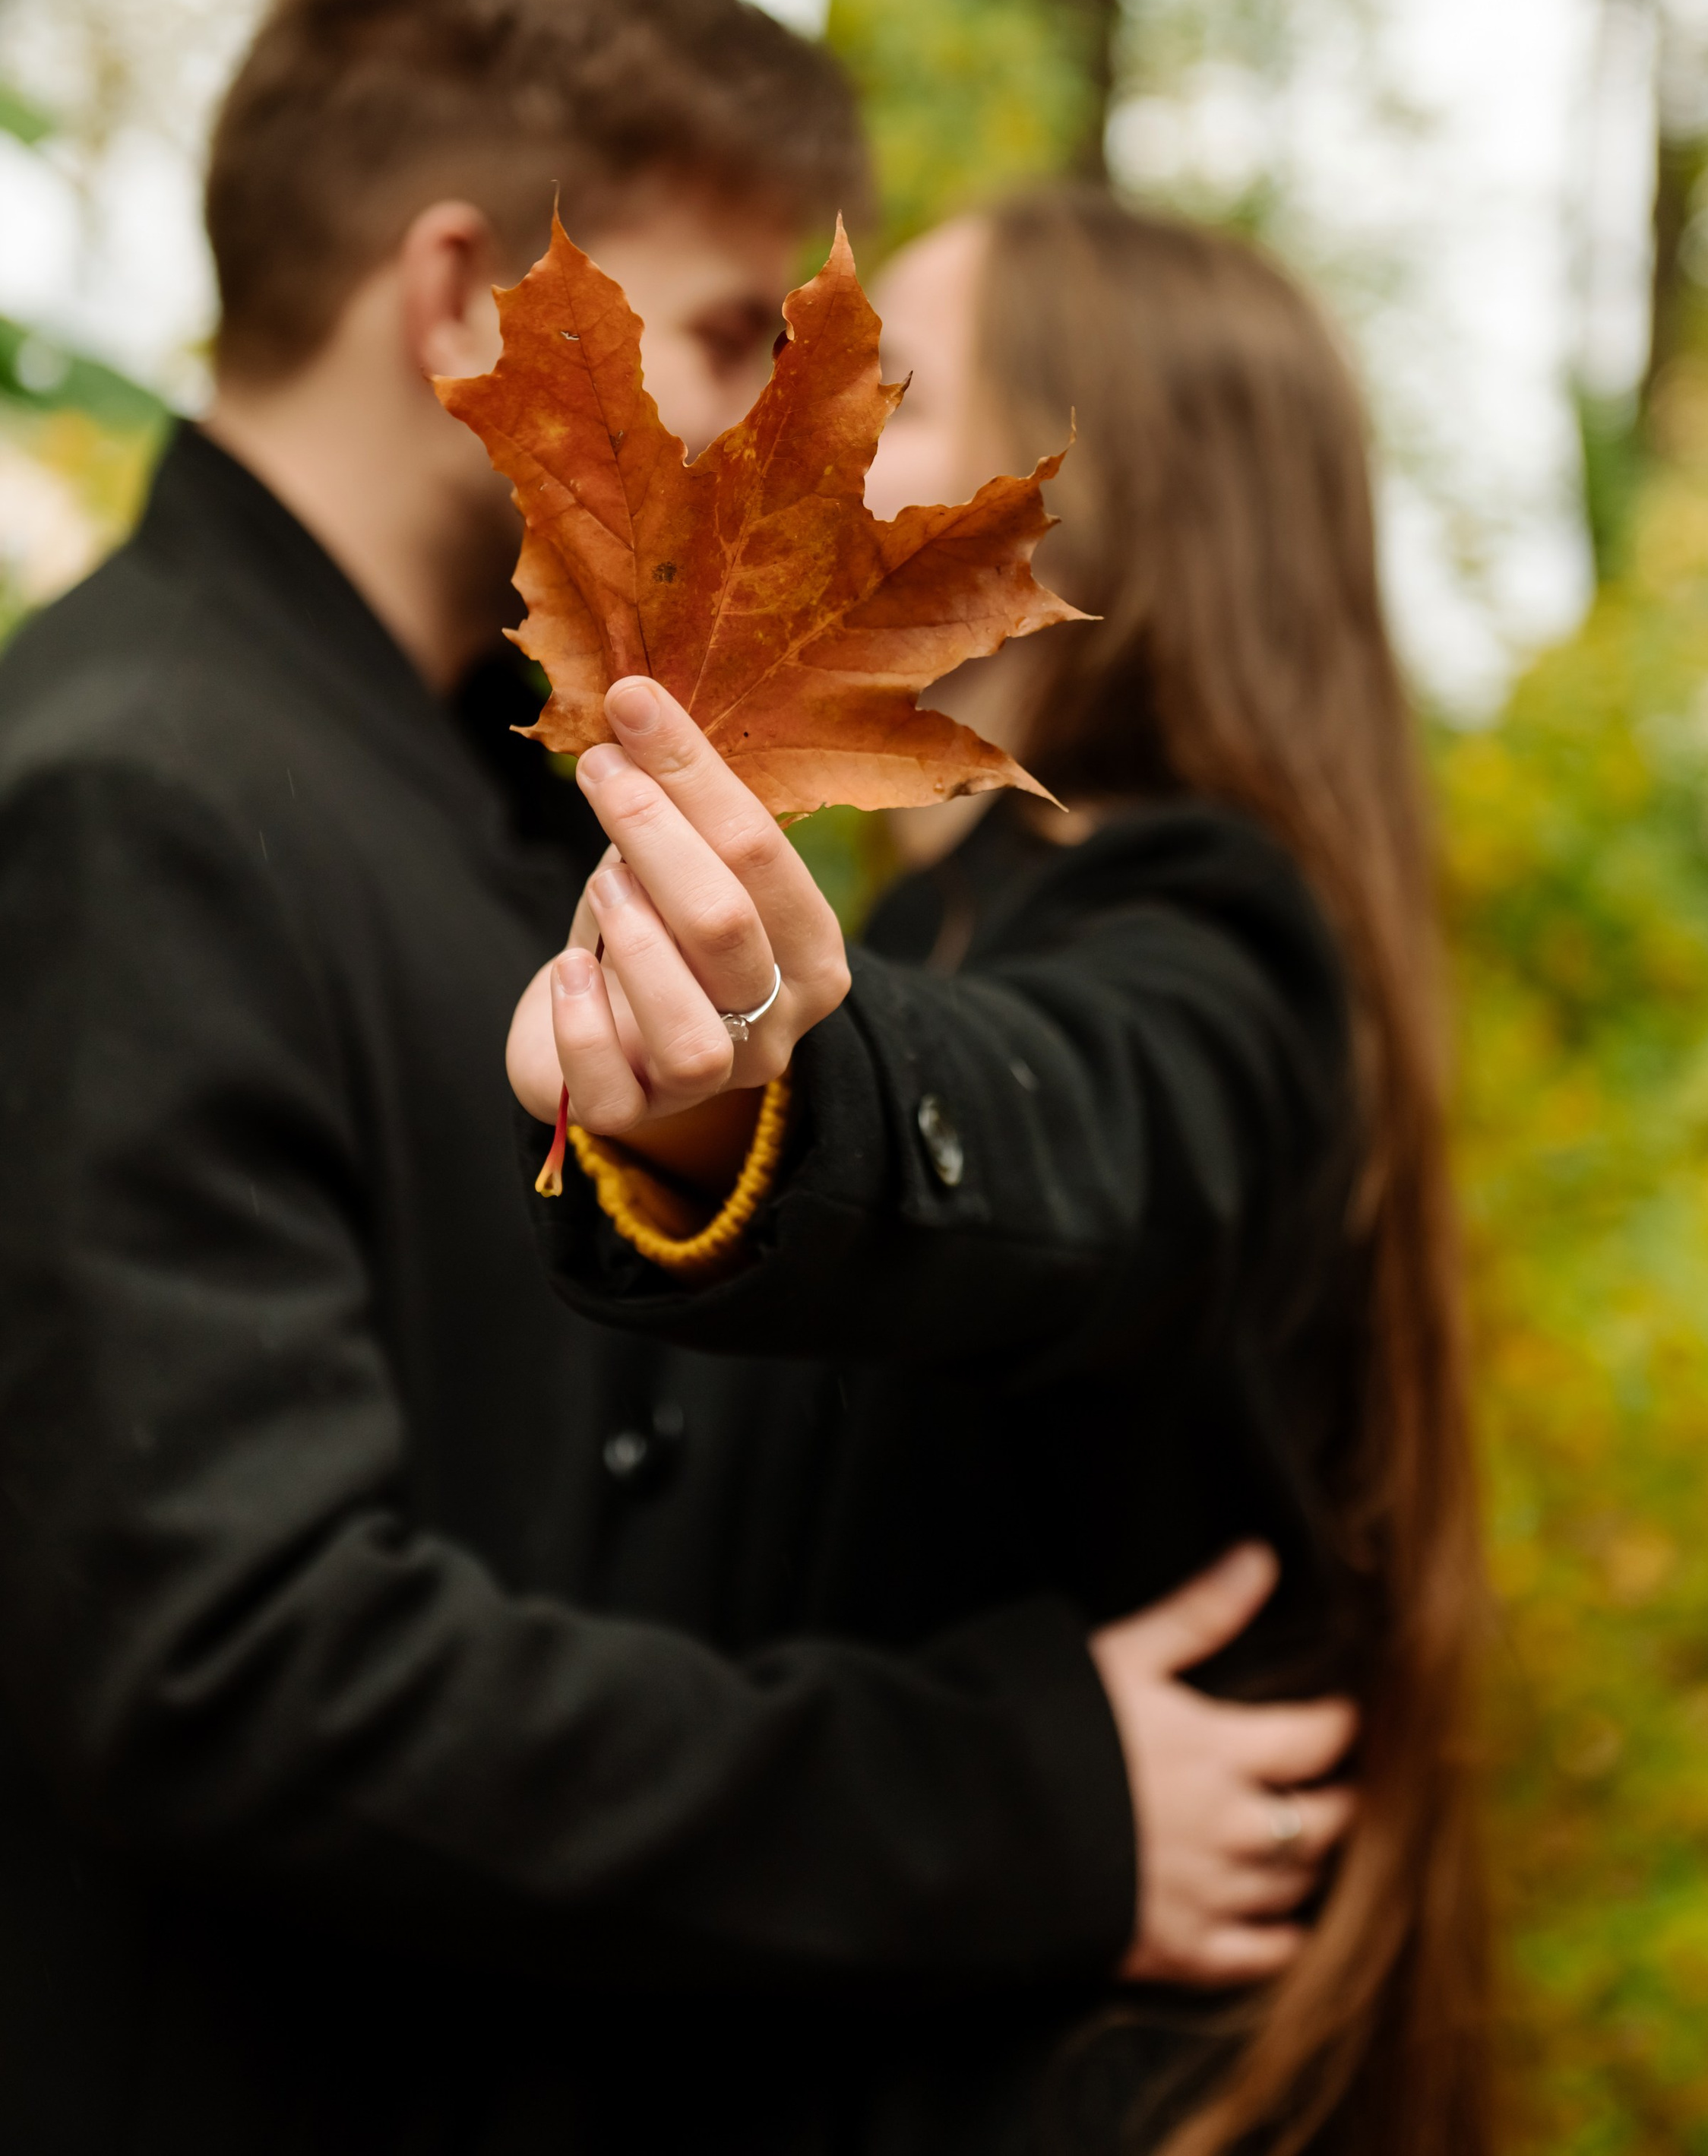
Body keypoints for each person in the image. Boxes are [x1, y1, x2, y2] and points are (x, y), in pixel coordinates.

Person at [0, 0, 1353, 2156]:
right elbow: (230, 1658)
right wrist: (1005, 1801)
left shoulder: (491, 793)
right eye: (733, 336)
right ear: (464, 302)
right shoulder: (131, 792)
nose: (775, 449)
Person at [508, 186, 1493, 2156]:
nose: (791, 432)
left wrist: (757, 1085)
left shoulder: (1219, 930)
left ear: (1072, 503)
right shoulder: (943, 919)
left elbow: (1081, 1120)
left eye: (894, 389)